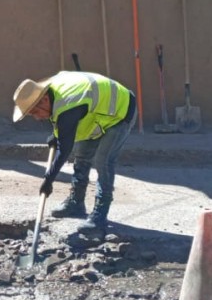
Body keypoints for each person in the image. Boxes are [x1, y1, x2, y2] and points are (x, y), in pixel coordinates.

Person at [12, 70, 136, 236]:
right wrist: (56, 135)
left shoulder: (69, 104)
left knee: (103, 161)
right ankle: (76, 202)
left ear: (45, 99)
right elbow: (61, 123)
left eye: (35, 112)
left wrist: (48, 179)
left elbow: (65, 148)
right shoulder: (53, 91)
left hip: (120, 111)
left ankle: (100, 215)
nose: (36, 118)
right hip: (95, 114)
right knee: (82, 156)